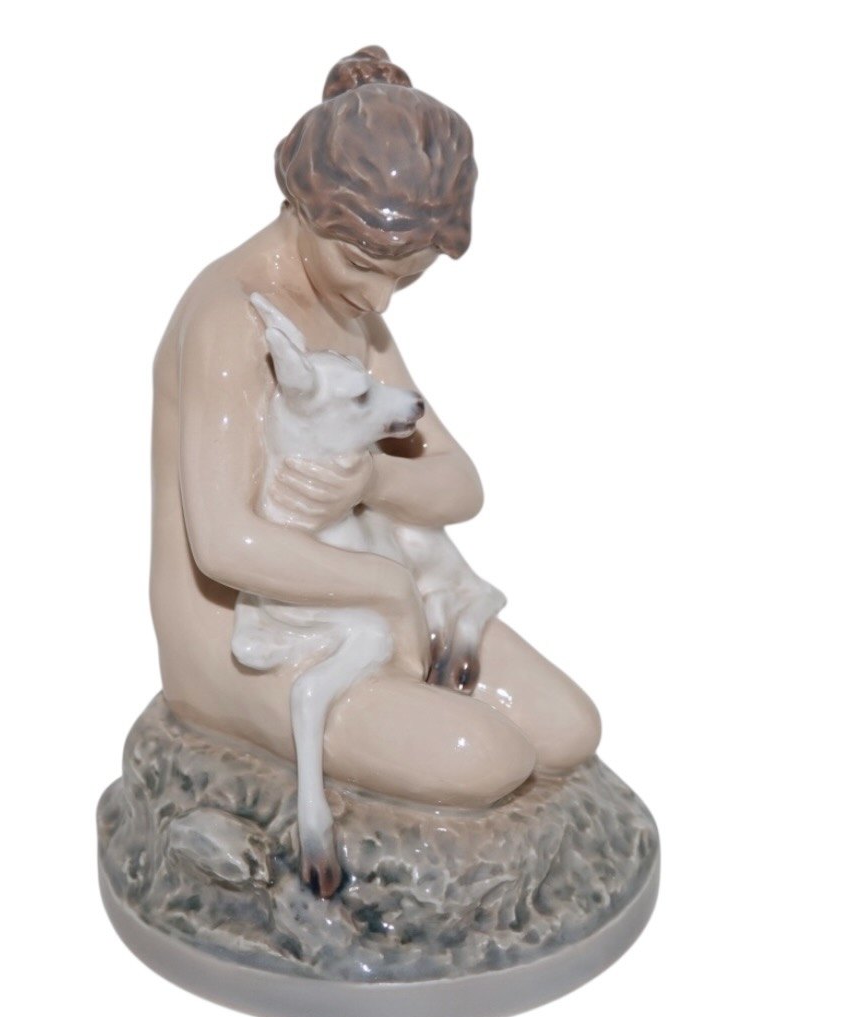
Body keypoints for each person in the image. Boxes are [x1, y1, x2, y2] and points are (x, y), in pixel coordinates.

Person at [148, 47, 600, 808]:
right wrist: (390, 592)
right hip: (250, 634)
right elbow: (225, 545)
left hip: (365, 592)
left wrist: (374, 478)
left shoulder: (352, 311)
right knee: (481, 758)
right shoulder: (232, 318)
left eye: (408, 276)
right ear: (304, 204)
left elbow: (460, 485)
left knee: (567, 730)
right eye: (365, 263)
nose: (382, 299)